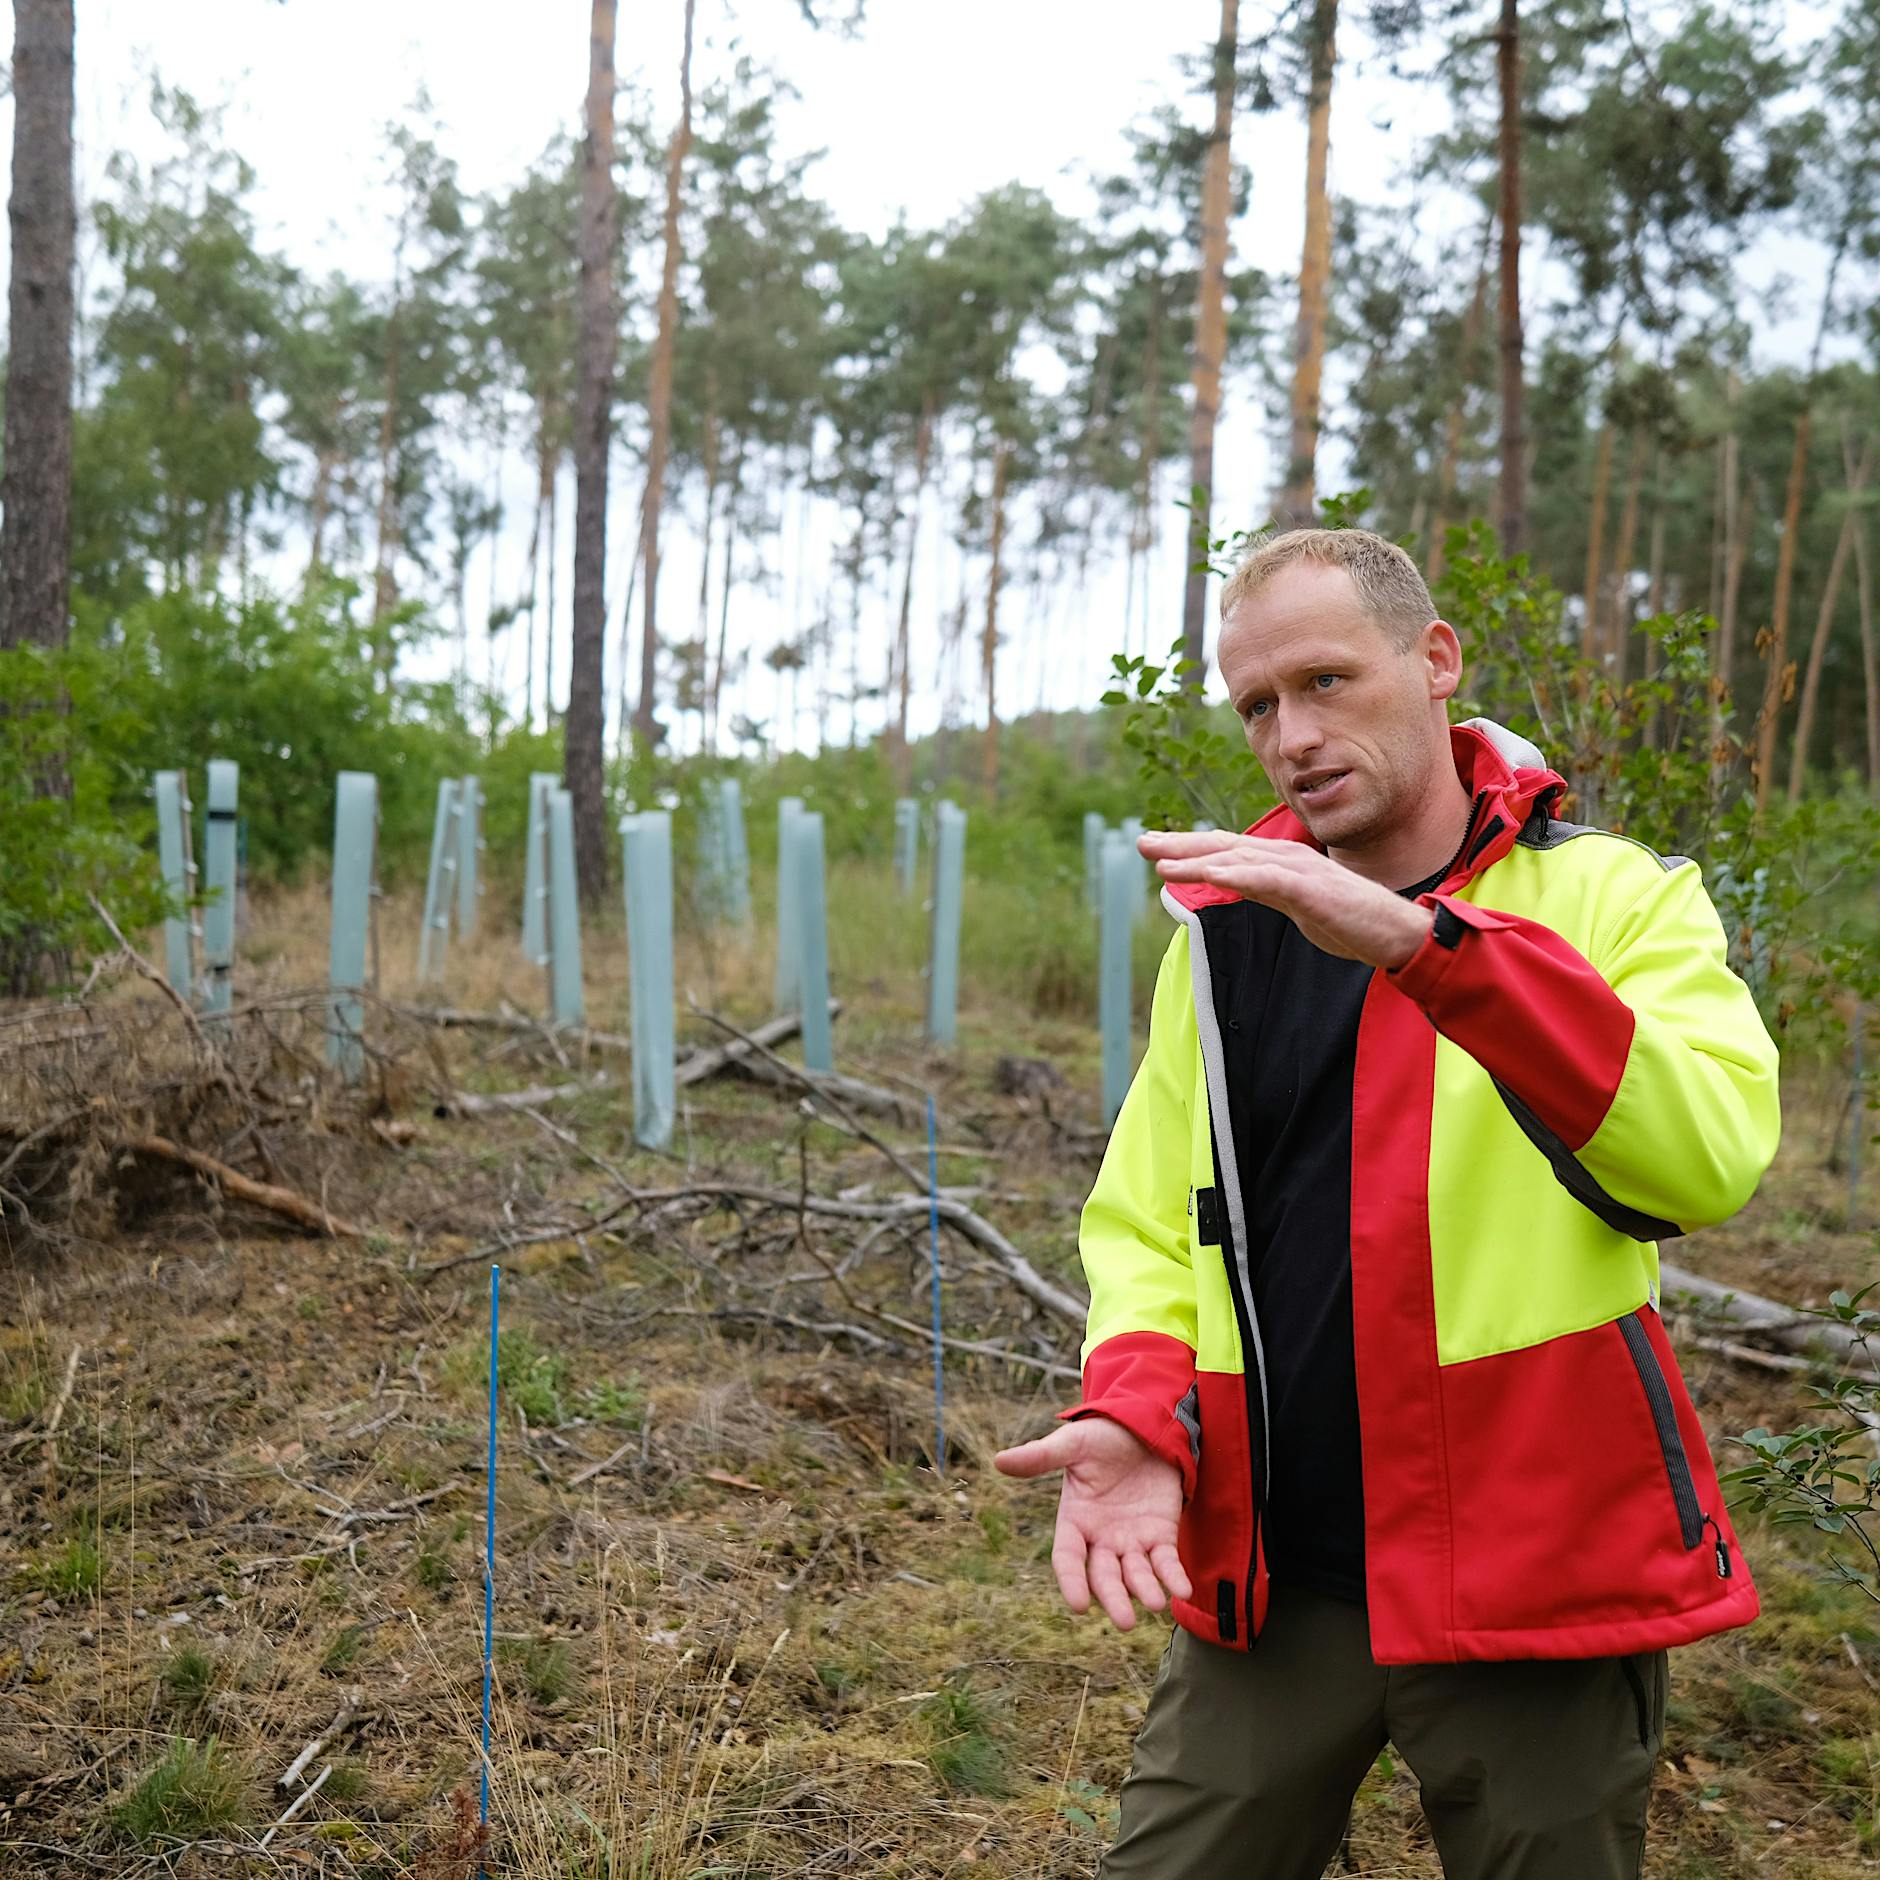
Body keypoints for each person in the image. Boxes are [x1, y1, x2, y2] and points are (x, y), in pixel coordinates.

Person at [995, 528, 1781, 1880]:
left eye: (1325, 681)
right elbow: (1144, 1222)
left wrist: (1435, 954)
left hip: (1538, 1559)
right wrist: (1133, 1409)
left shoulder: (1613, 898)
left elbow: (1703, 1158)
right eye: (1258, 705)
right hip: (1275, 1570)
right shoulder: (1229, 934)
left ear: (1434, 663)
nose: (1292, 734)